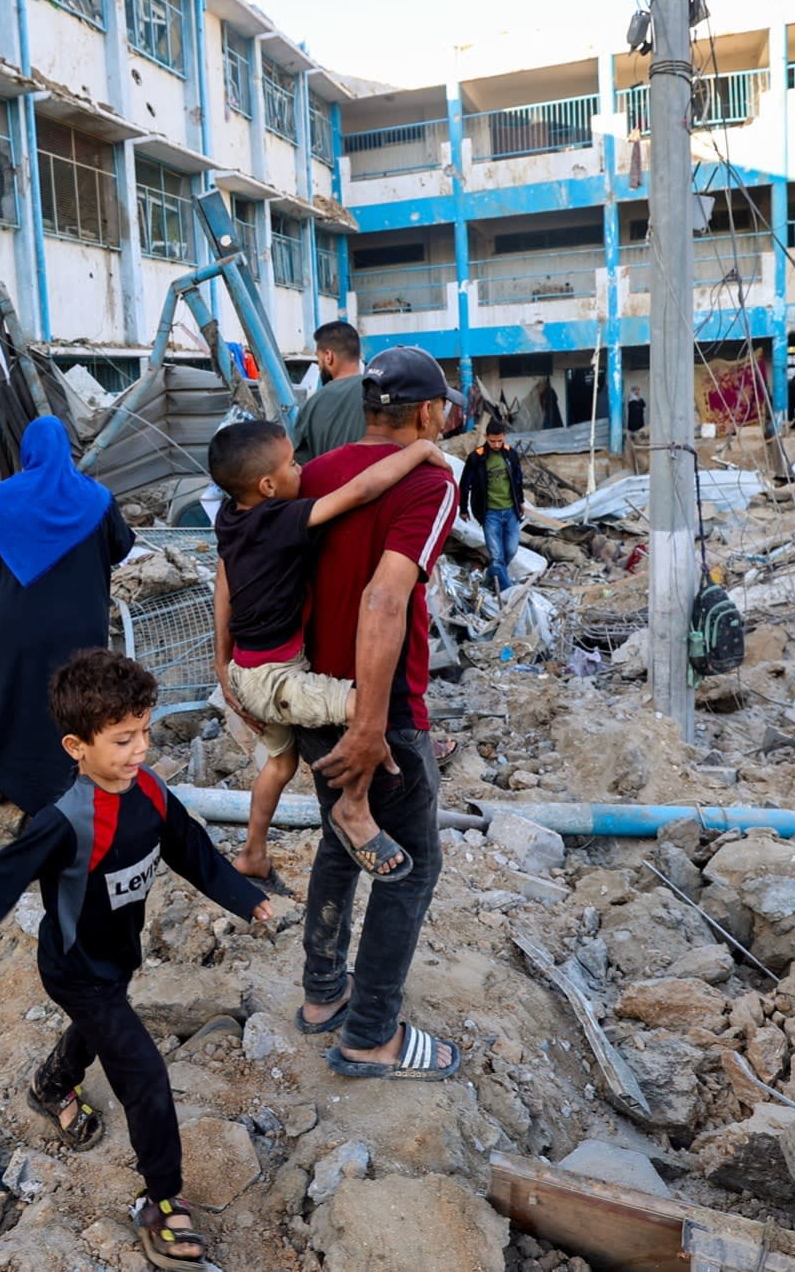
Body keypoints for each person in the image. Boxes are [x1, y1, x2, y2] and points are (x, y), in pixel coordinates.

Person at [0, 650, 270, 1270]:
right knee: (144, 1074)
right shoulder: (64, 822)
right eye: (123, 739)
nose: (140, 750)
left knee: (106, 1024)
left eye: (146, 732)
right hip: (76, 969)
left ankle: (52, 1084)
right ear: (76, 746)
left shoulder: (151, 792)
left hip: (118, 956)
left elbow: (193, 850)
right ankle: (160, 1201)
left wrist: (249, 901)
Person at [290, 345, 464, 1083]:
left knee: (343, 838)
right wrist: (370, 725)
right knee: (412, 864)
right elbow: (385, 597)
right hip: (379, 711)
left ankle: (324, 992)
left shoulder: (315, 475)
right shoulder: (427, 480)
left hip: (309, 696)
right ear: (425, 414)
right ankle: (369, 1035)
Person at [208, 420, 447, 889]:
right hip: (278, 681)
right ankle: (352, 805)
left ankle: (253, 853)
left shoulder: (230, 518)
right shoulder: (280, 519)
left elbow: (225, 586)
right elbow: (361, 490)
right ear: (268, 486)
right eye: (293, 463)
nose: (302, 468)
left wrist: (223, 664)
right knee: (371, 709)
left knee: (280, 765)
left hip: (247, 670)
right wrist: (420, 449)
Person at [0, 416, 135, 814]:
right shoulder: (97, 498)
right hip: (81, 621)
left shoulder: (3, 497)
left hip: (20, 622)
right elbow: (122, 546)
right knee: (79, 697)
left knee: (14, 693)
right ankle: (74, 776)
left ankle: (1, 780)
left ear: (28, 452)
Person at [459, 419, 525, 593]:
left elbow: (518, 481)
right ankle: (506, 592)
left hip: (511, 511)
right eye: (492, 441)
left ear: (505, 437)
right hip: (490, 513)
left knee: (510, 550)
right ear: (486, 437)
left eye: (499, 441)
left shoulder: (511, 455)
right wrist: (463, 509)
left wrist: (521, 502)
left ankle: (489, 579)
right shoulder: (476, 458)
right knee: (496, 556)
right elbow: (464, 484)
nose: (496, 445)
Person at [291, 320, 367, 464]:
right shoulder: (379, 391)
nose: (319, 366)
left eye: (318, 359)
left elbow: (301, 464)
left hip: (333, 485)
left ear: (328, 356)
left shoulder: (312, 405)